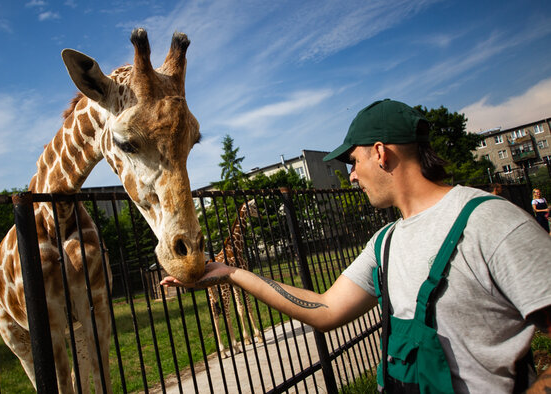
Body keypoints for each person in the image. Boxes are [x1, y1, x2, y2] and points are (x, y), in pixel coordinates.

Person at [162, 99, 551, 393]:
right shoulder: (385, 242)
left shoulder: (490, 221)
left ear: (380, 153)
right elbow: (325, 310)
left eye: (353, 161)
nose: (350, 177)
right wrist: (231, 273)